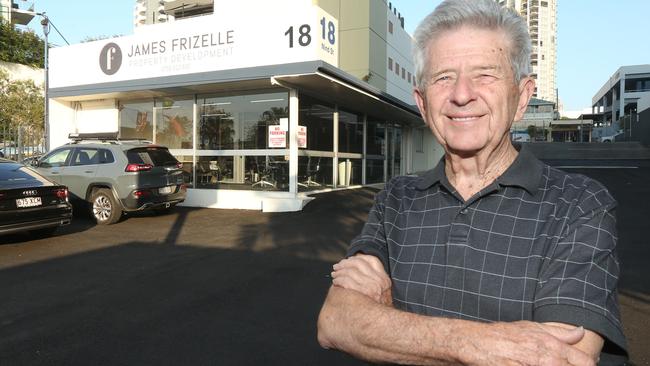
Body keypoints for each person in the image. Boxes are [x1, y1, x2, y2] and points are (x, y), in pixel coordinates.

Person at [317, 0, 628, 365]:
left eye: (485, 74)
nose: (462, 94)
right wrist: (484, 344)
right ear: (422, 101)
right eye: (443, 77)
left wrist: (387, 316)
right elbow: (336, 321)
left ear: (522, 96)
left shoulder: (578, 204)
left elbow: (565, 357)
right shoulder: (396, 198)